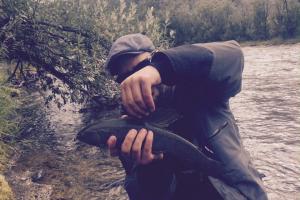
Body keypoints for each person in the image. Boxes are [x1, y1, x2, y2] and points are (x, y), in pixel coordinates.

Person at [105, 33, 268, 200]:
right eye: (124, 77)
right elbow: (144, 194)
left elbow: (233, 56)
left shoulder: (200, 85)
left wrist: (161, 68)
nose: (134, 80)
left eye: (141, 68)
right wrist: (150, 167)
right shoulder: (129, 124)